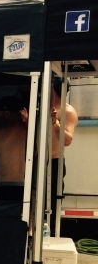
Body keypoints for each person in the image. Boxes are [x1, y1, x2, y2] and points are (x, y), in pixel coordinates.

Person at [50, 77, 78, 235]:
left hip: (54, 163)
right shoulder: (45, 107)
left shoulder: (67, 111)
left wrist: (55, 123)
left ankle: (51, 235)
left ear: (52, 89)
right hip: (38, 162)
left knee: (52, 206)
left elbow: (67, 140)